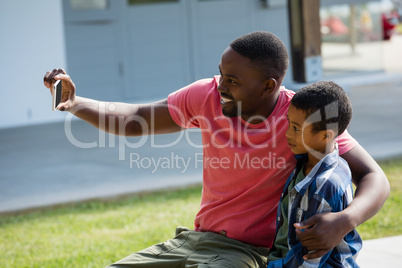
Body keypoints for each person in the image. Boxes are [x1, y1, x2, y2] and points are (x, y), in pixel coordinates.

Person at [43, 31, 389, 267]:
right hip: (195, 240)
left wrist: (345, 220)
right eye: (221, 74)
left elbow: (374, 176)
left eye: (233, 81)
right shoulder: (206, 95)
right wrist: (75, 103)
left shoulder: (298, 117)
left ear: (269, 86)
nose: (220, 86)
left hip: (248, 253)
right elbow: (136, 118)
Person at [267, 81, 361, 267]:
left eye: (296, 128)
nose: (287, 134)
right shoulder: (305, 162)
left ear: (325, 136)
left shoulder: (323, 186)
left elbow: (310, 258)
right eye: (289, 124)